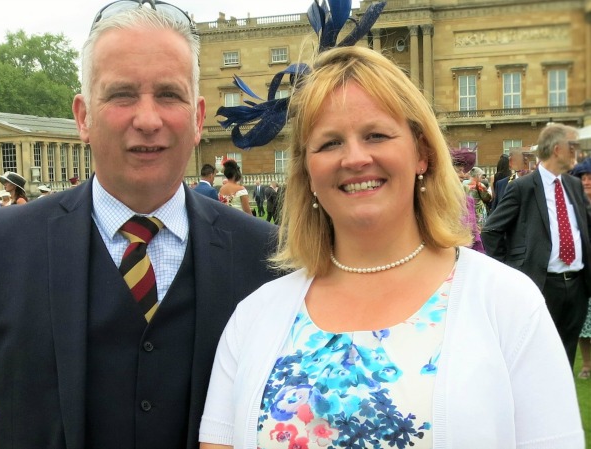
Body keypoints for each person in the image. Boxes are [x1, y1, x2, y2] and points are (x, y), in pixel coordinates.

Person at [0, 3, 278, 449]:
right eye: (121, 94)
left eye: (169, 94)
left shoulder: (267, 257)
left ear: (198, 118)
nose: (147, 119)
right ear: (83, 116)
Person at [199, 45, 583, 448]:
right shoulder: (255, 316)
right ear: (308, 172)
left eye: (376, 135)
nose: (355, 158)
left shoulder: (508, 302)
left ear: (422, 153)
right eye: (329, 143)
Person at [482, 123, 590, 368]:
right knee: (538, 360)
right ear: (557, 149)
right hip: (542, 285)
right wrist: (510, 271)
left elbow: (584, 229)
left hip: (576, 287)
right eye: (574, 147)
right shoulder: (522, 187)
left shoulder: (573, 185)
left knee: (566, 357)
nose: (578, 153)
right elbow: (491, 230)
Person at [570, 157, 591, 379]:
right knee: (585, 324)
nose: (586, 182)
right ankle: (587, 365)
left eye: (590, 178)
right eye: (583, 177)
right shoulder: (572, 206)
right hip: (582, 273)